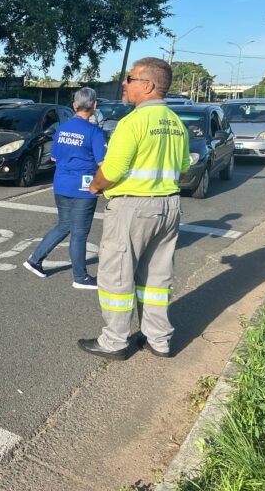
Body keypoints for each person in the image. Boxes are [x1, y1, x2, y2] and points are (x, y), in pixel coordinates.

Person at [79, 57, 190, 361]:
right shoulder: (176, 123)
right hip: (169, 206)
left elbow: (112, 169)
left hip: (133, 208)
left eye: (129, 79)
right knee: (157, 277)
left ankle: (114, 342)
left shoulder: (133, 122)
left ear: (148, 85)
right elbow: (182, 167)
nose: (124, 85)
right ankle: (159, 340)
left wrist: (96, 186)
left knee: (116, 276)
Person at [23, 87, 106, 289]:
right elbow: (103, 163)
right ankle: (80, 277)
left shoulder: (62, 128)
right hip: (83, 187)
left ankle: (35, 260)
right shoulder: (94, 132)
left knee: (64, 224)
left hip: (61, 183)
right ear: (94, 106)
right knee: (79, 232)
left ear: (74, 105)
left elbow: (54, 156)